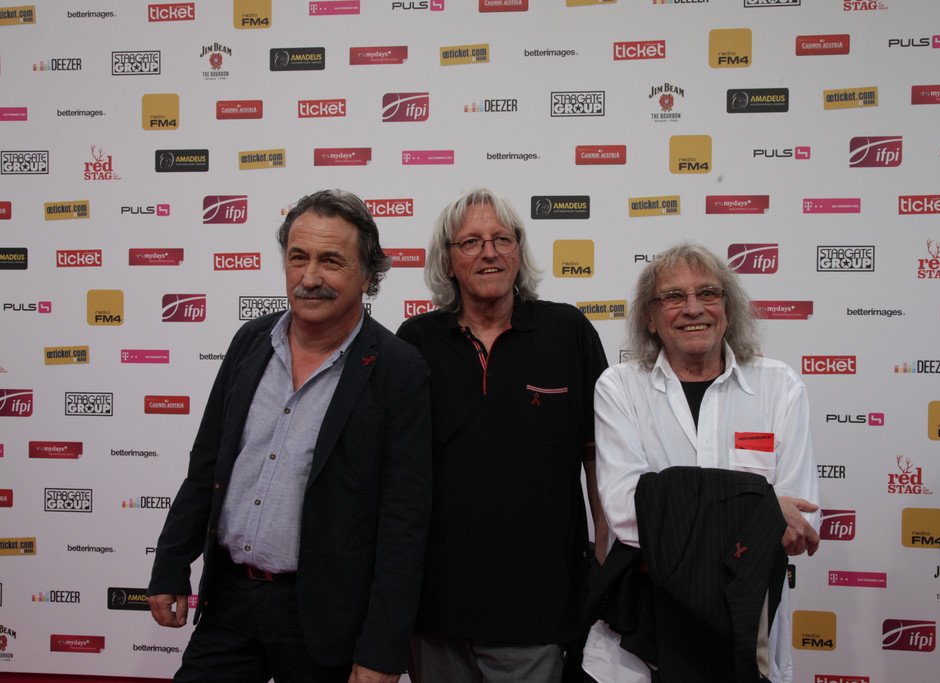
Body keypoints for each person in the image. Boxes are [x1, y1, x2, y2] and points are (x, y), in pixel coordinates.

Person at [147, 190, 432, 683]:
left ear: (368, 275)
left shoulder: (398, 369)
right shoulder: (250, 341)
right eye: (298, 257)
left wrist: (382, 651)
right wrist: (171, 562)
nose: (310, 277)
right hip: (229, 602)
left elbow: (404, 524)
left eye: (331, 261)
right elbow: (208, 464)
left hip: (324, 617)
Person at [397, 187, 609, 683]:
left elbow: (599, 457)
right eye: (470, 242)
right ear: (448, 261)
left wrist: (604, 553)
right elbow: (396, 474)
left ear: (519, 250)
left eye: (502, 239)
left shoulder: (569, 331)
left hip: (538, 606)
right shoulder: (415, 342)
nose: (489, 252)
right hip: (436, 607)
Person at [582, 243, 820, 683]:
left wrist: (672, 503)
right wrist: (762, 506)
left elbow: (796, 524)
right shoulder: (619, 388)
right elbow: (626, 513)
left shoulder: (779, 387)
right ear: (650, 317)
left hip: (745, 628)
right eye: (673, 296)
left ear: (727, 308)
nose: (693, 308)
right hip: (640, 639)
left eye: (708, 293)